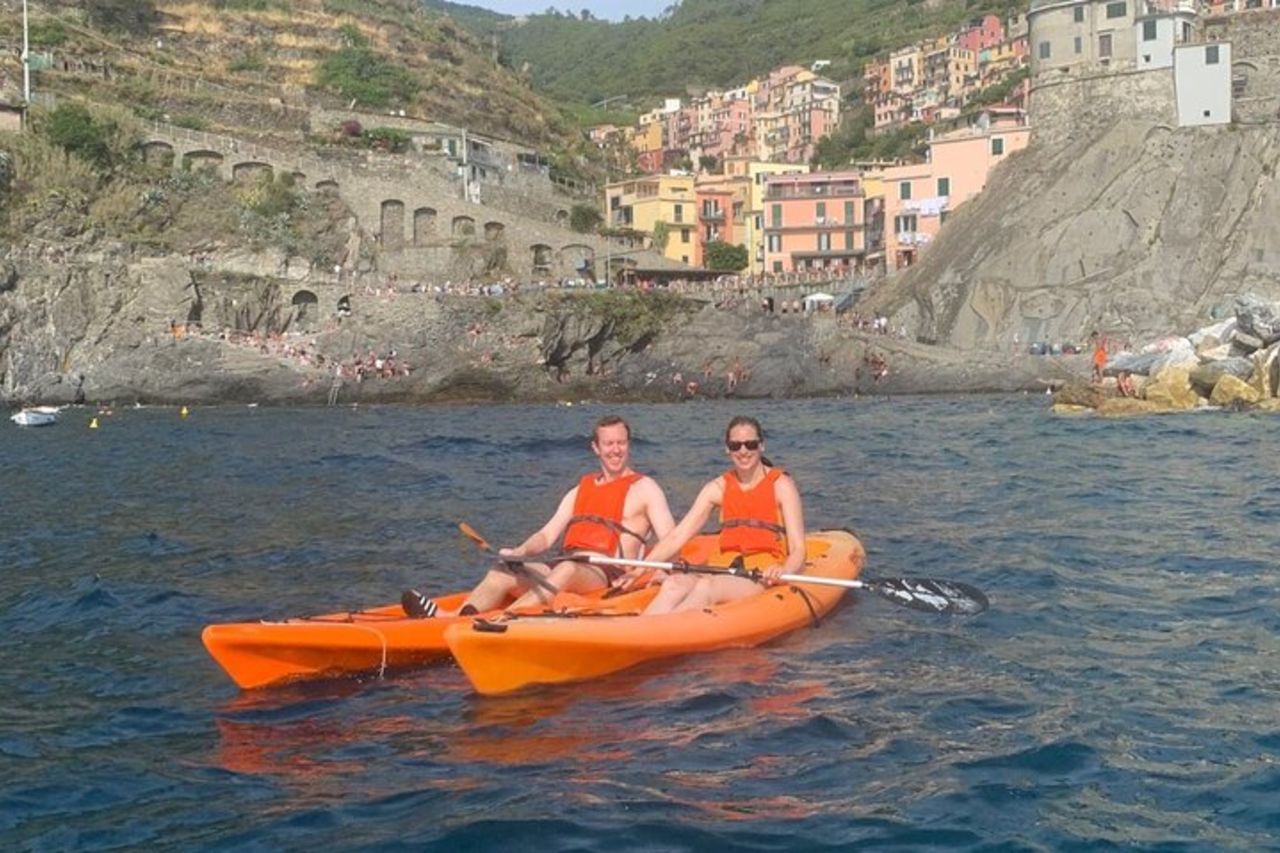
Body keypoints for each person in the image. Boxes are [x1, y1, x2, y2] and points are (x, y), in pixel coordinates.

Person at [403, 415, 675, 617]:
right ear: (596, 448)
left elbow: (670, 540)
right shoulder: (579, 490)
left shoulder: (645, 488)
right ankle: (453, 619)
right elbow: (546, 536)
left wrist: (648, 572)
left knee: (567, 569)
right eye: (609, 444)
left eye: (621, 443)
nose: (615, 450)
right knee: (502, 572)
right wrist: (520, 551)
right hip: (563, 566)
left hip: (605, 574)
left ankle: (506, 619)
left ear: (628, 445)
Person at [631, 416, 806, 616]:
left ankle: (660, 634)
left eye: (750, 444)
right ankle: (635, 631)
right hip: (722, 568)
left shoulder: (782, 486)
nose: (743, 451)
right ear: (727, 449)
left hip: (759, 575)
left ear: (761, 446)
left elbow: (799, 549)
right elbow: (677, 537)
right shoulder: (716, 488)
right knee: (674, 583)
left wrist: (784, 571)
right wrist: (640, 569)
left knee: (707, 587)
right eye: (735, 445)